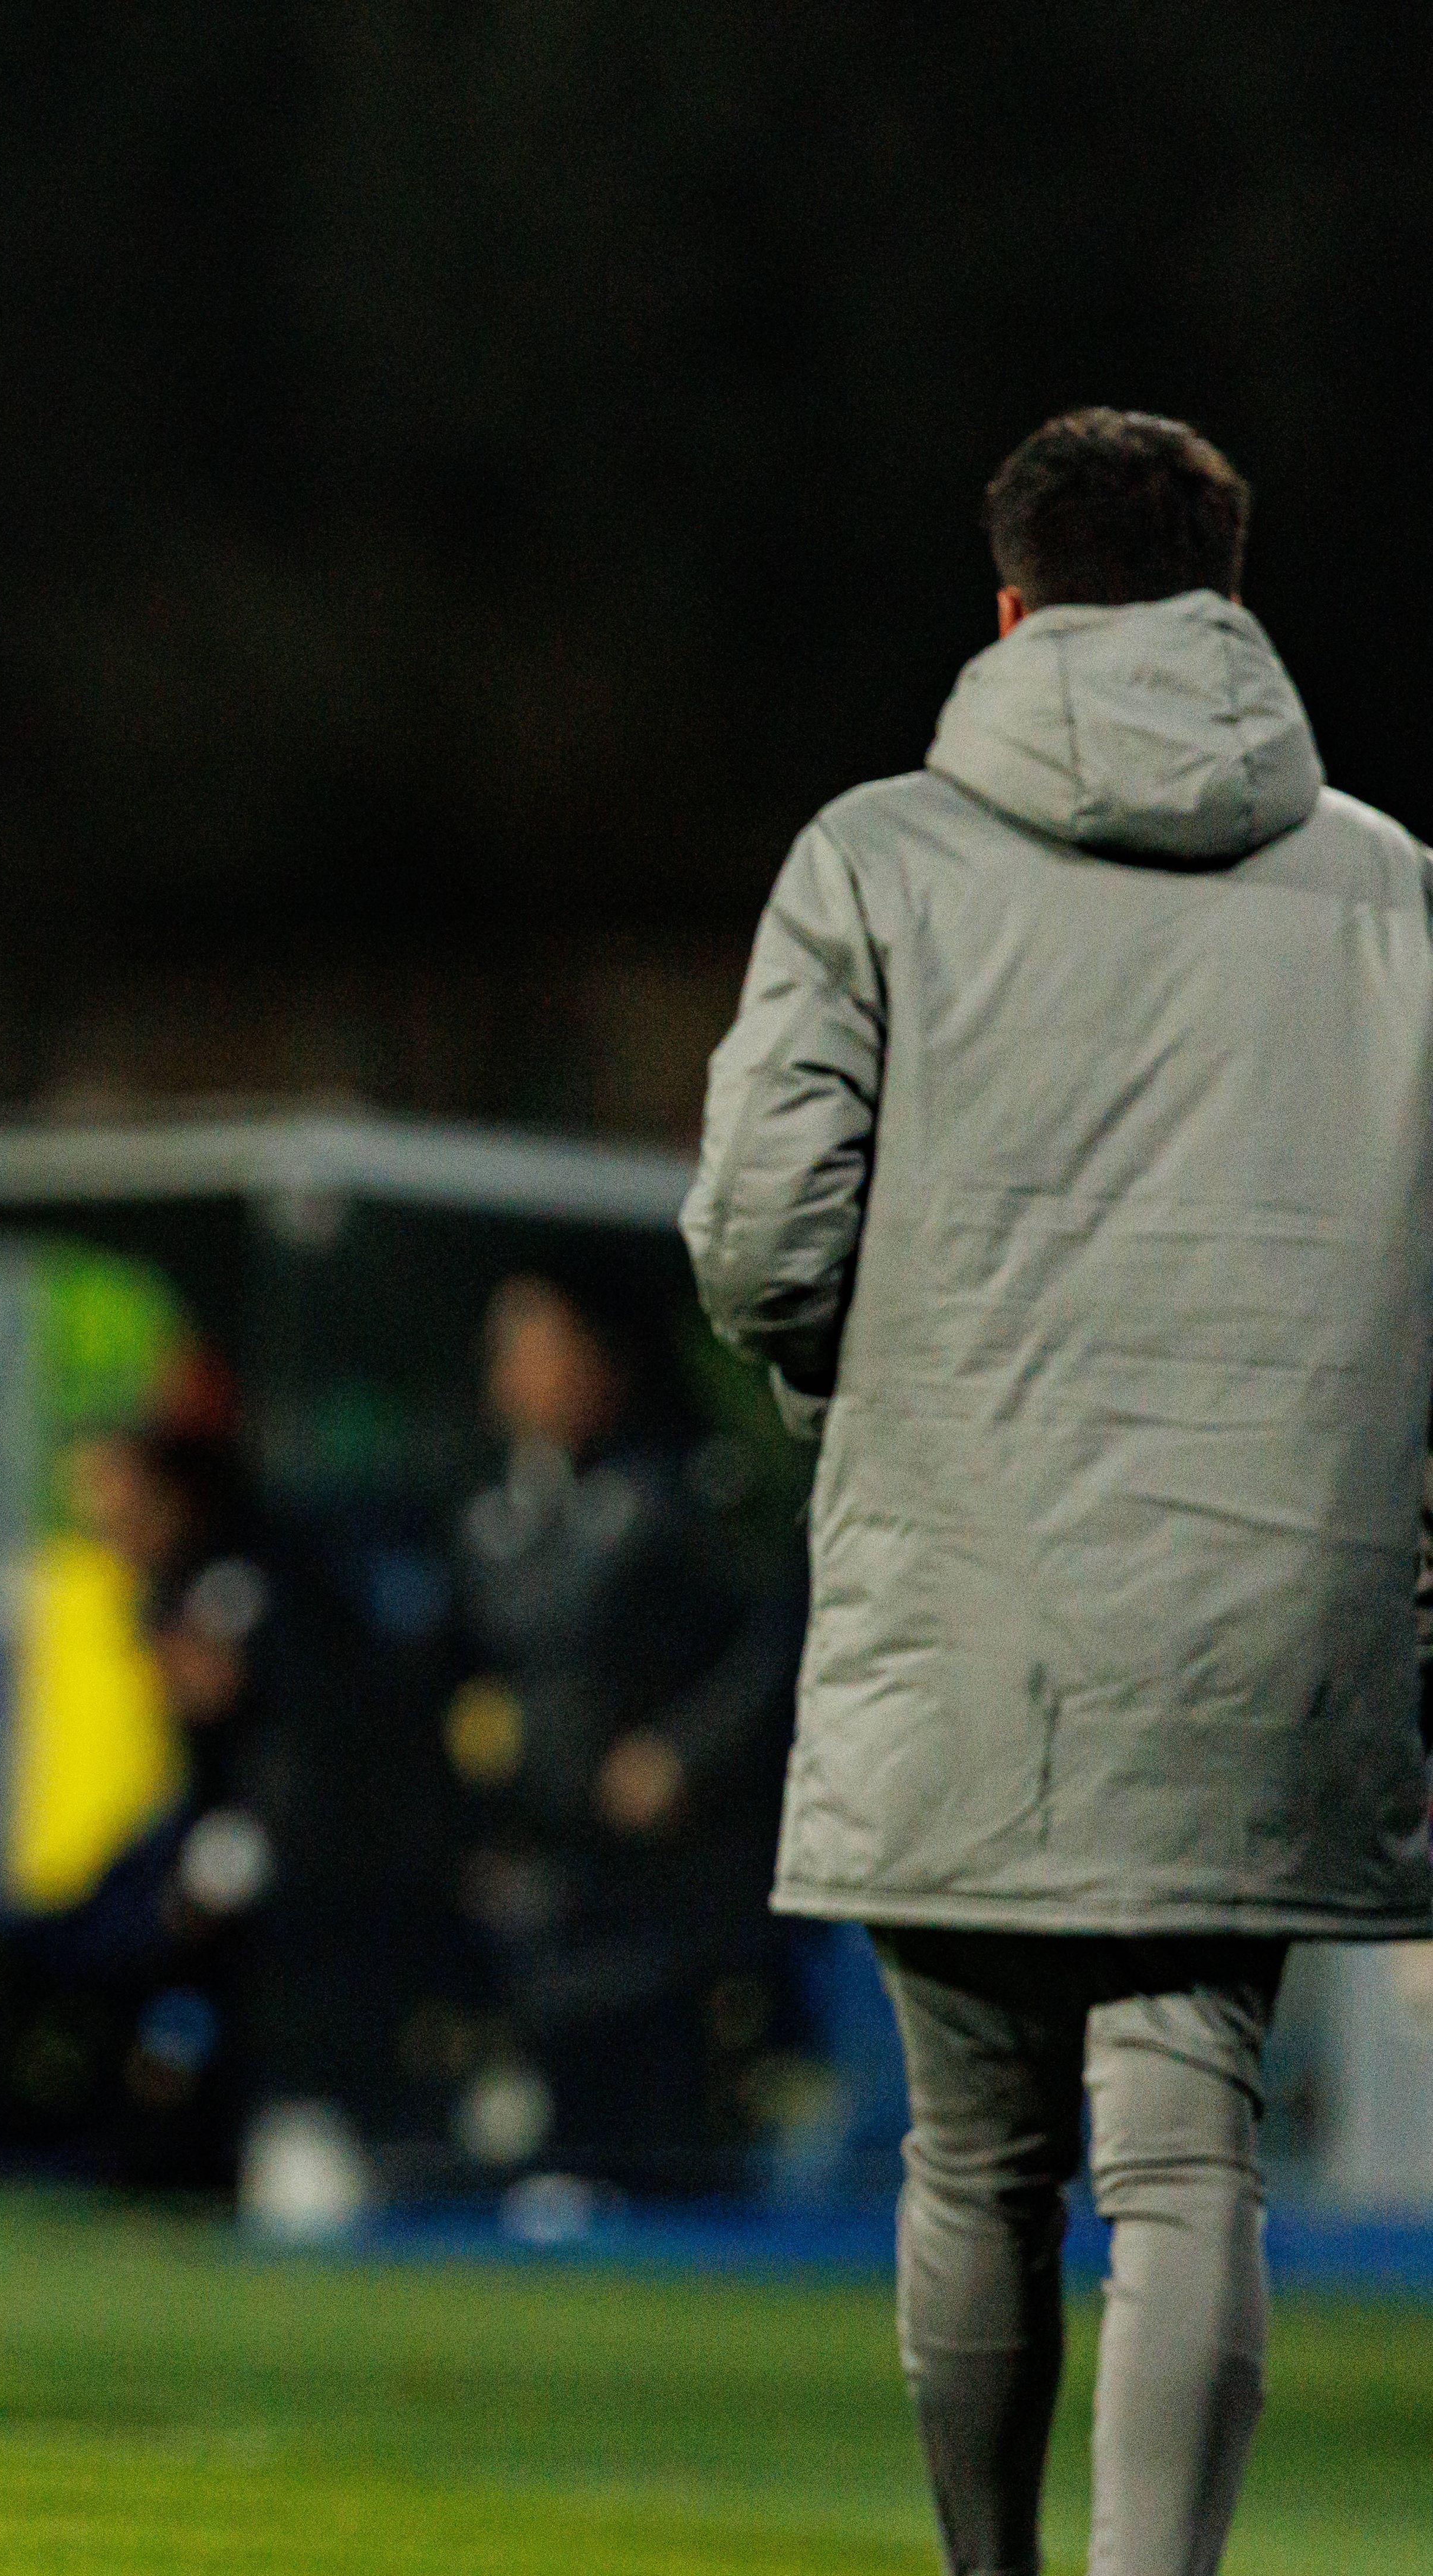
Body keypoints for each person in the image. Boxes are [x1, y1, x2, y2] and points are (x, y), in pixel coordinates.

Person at [686, 407, 1433, 2576]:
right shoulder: (1389, 892)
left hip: (967, 1580)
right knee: (1188, 2145)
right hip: (1270, 1596)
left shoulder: (878, 859)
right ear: (1229, 597)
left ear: (1006, 602)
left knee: (970, 2152)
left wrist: (860, 1390)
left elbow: (755, 1235)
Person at [439, 1271, 798, 2191]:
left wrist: (683, 1754)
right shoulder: (489, 1518)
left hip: (667, 1890)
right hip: (545, 1878)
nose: (523, 1373)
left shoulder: (679, 1499)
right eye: (510, 1352)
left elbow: (769, 1644)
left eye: (546, 1348)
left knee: (665, 2126)